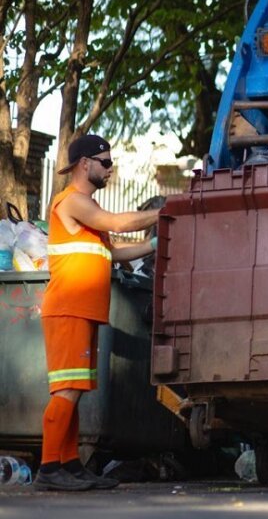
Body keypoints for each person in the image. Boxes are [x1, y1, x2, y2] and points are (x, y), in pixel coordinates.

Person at [33, 134, 160, 492]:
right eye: (105, 162)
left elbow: (112, 251)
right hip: (68, 309)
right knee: (67, 390)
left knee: (76, 389)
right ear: (84, 164)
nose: (110, 168)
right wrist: (163, 213)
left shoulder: (87, 215)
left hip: (84, 311)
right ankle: (49, 467)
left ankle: (70, 465)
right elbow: (118, 224)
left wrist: (153, 243)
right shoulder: (72, 202)